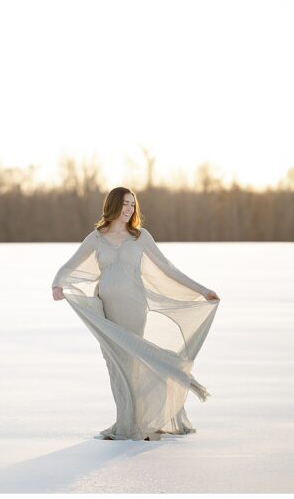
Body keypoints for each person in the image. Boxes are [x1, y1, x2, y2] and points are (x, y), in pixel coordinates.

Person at [51, 187, 220, 441]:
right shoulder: (96, 238)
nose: (130, 208)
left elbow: (168, 269)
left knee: (133, 364)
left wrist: (202, 290)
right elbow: (70, 265)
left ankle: (139, 423)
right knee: (115, 365)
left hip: (134, 306)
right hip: (108, 309)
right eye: (126, 204)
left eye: (133, 204)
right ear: (113, 206)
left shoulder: (140, 237)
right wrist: (57, 284)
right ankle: (127, 421)